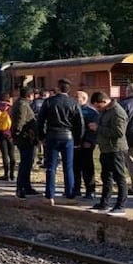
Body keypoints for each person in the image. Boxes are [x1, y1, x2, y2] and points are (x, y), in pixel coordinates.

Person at [36, 78, 83, 206]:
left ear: (58, 88)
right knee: (68, 167)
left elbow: (40, 121)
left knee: (51, 167)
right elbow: (80, 123)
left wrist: (41, 136)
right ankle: (70, 196)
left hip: (52, 136)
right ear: (69, 89)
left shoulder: (49, 102)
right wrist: (78, 139)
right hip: (68, 136)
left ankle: (49, 196)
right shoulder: (73, 103)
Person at [90, 91, 128, 216]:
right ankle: (104, 203)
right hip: (105, 149)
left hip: (116, 149)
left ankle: (120, 205)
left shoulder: (117, 112)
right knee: (106, 177)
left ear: (104, 101)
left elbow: (119, 133)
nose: (97, 109)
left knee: (119, 177)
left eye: (98, 106)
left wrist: (98, 128)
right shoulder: (105, 111)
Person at [10, 87, 40, 199]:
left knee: (28, 163)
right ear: (29, 95)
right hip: (26, 138)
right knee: (25, 164)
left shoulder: (21, 103)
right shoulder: (23, 105)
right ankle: (21, 188)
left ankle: (27, 187)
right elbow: (20, 122)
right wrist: (16, 135)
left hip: (27, 138)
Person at [74, 90, 99, 200]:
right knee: (75, 167)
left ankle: (90, 190)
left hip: (86, 144)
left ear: (83, 99)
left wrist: (89, 141)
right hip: (75, 144)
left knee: (87, 168)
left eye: (76, 97)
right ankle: (76, 189)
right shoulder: (73, 110)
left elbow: (93, 128)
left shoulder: (91, 112)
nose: (74, 99)